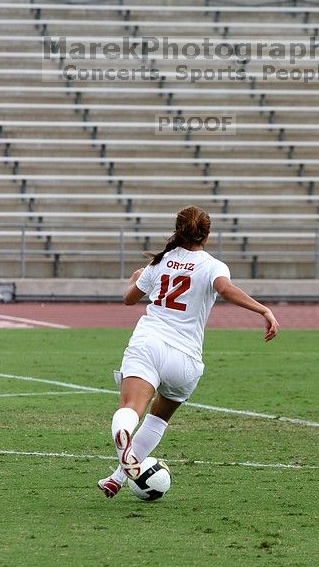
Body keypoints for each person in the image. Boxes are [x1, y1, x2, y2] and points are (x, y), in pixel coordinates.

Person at [98, 205, 279, 498]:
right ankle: (117, 479)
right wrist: (263, 310)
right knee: (158, 418)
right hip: (185, 360)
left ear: (177, 230)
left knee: (131, 408)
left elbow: (128, 299)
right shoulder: (213, 265)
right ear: (206, 234)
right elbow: (226, 289)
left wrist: (135, 278)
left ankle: (123, 436)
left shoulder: (160, 262)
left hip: (149, 344)